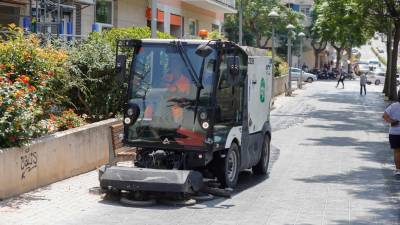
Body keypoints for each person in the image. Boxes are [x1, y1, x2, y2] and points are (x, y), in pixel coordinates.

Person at [383, 91, 400, 177]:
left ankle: (398, 169)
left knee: (397, 151)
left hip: (394, 133)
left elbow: (385, 116)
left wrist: (393, 121)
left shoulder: (393, 106)